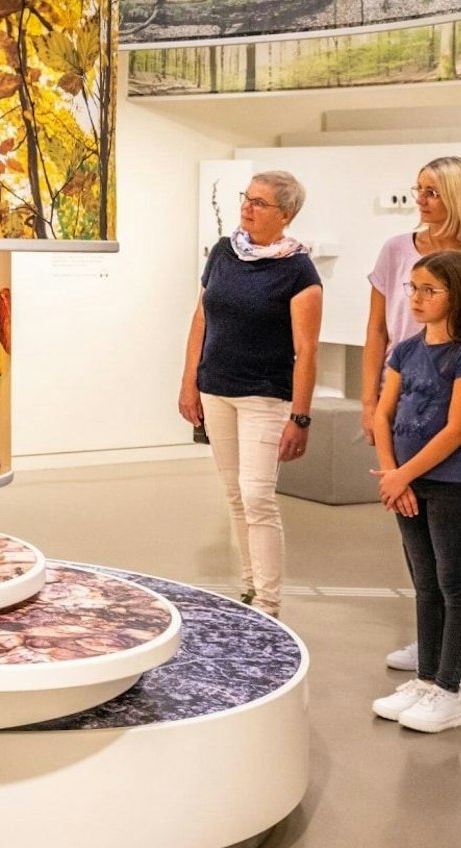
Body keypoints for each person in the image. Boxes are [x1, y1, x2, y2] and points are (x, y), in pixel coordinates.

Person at [365, 156, 461, 673]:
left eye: (431, 191)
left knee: (448, 535)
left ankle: (443, 666)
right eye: (418, 189)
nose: (421, 200)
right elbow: (377, 332)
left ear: (459, 196)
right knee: (414, 531)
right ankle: (428, 643)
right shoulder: (395, 251)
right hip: (403, 397)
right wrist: (371, 406)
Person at [177, 170, 322, 618]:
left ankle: (268, 603)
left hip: (265, 395)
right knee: (236, 496)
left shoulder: (298, 270)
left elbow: (306, 349)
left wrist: (300, 417)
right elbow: (201, 317)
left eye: (259, 203)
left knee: (258, 496)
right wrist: (189, 381)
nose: (247, 207)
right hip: (216, 390)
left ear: (286, 214)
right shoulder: (225, 252)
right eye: (246, 198)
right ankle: (249, 587)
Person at [368, 251, 461, 734]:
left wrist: (403, 475)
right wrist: (391, 472)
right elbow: (383, 414)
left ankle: (448, 688)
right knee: (424, 584)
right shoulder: (404, 349)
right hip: (406, 482)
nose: (416, 299)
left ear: (455, 296)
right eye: (413, 288)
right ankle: (425, 678)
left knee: (453, 583)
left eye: (429, 290)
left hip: (450, 486)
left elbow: (457, 430)